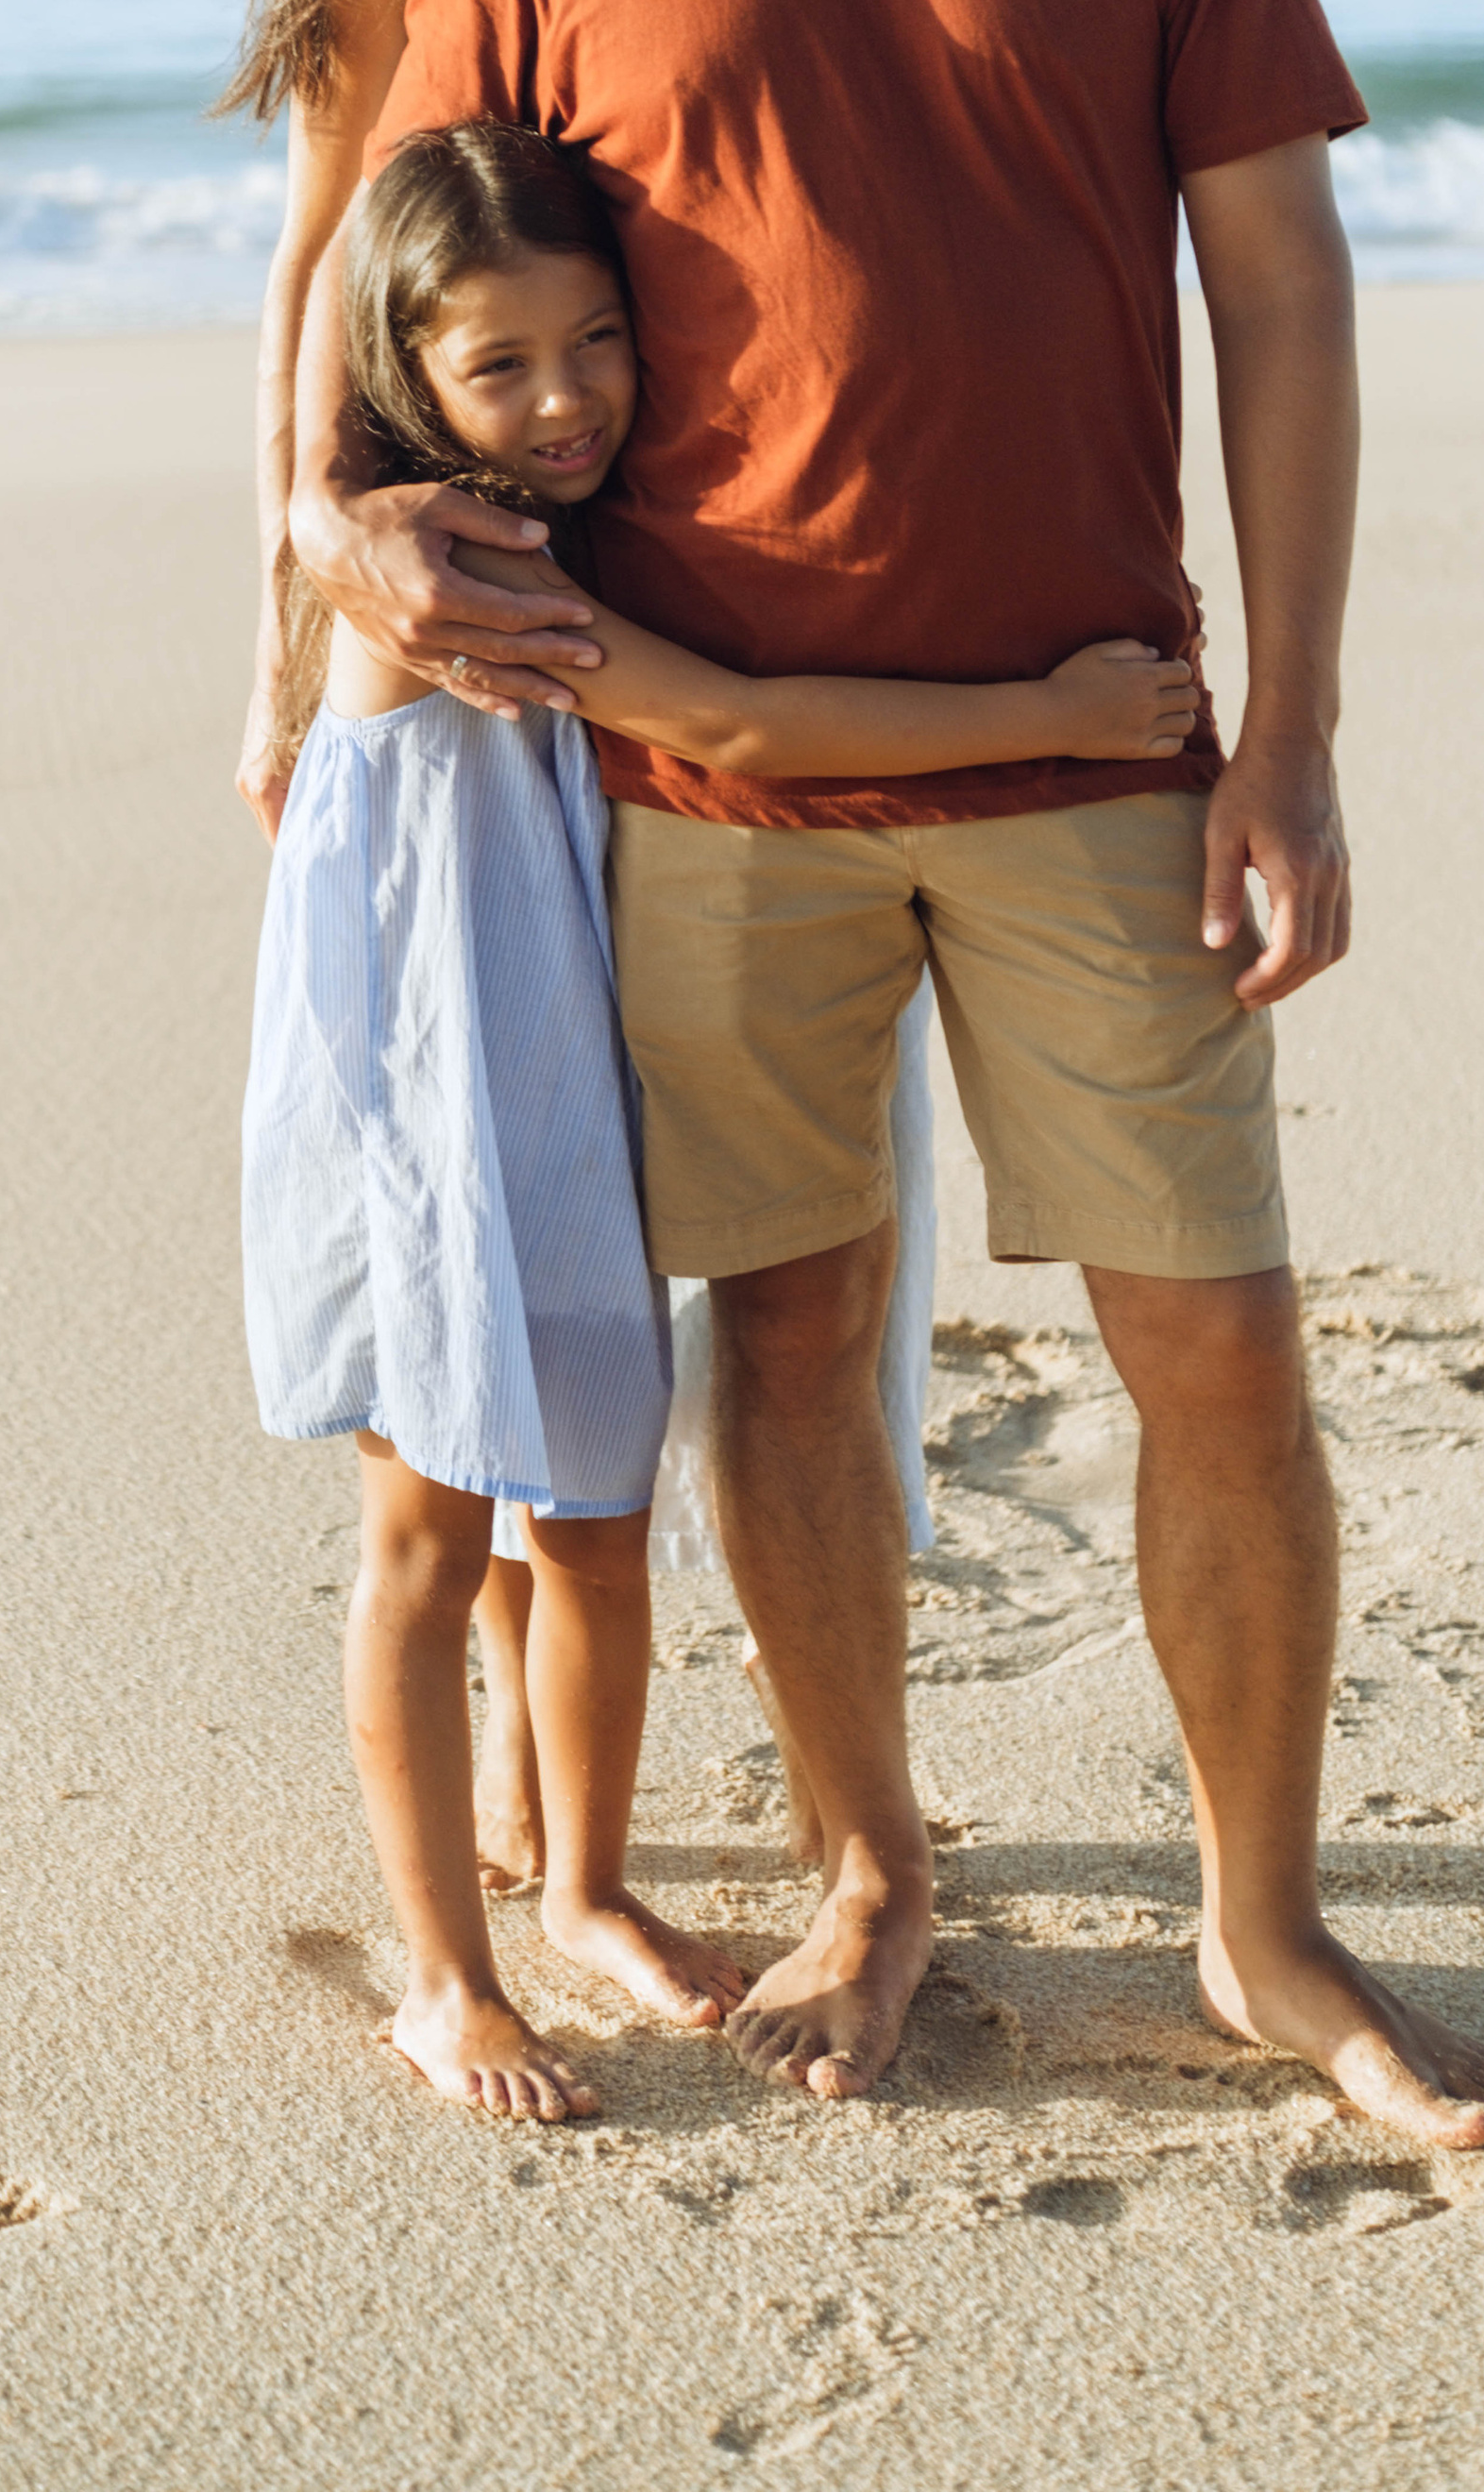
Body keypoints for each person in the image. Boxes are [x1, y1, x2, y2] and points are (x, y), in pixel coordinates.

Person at [294, 0, 1484, 2151]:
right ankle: (876, 1867)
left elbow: (1286, 289)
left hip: (1108, 741)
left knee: (1219, 1350)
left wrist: (1298, 729)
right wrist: (338, 543)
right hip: (705, 774)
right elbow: (393, 282)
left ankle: (1263, 1929)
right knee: (799, 1344)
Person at [245, 118, 1199, 2118]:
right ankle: (442, 1977)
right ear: (405, 376)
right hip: (431, 1108)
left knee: (592, 1523)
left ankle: (582, 1883)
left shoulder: (557, 521)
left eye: (596, 339)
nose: (567, 398)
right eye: (501, 365)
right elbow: (741, 726)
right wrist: (1052, 716)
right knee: (428, 1529)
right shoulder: (450, 563)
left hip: (559, 1083)